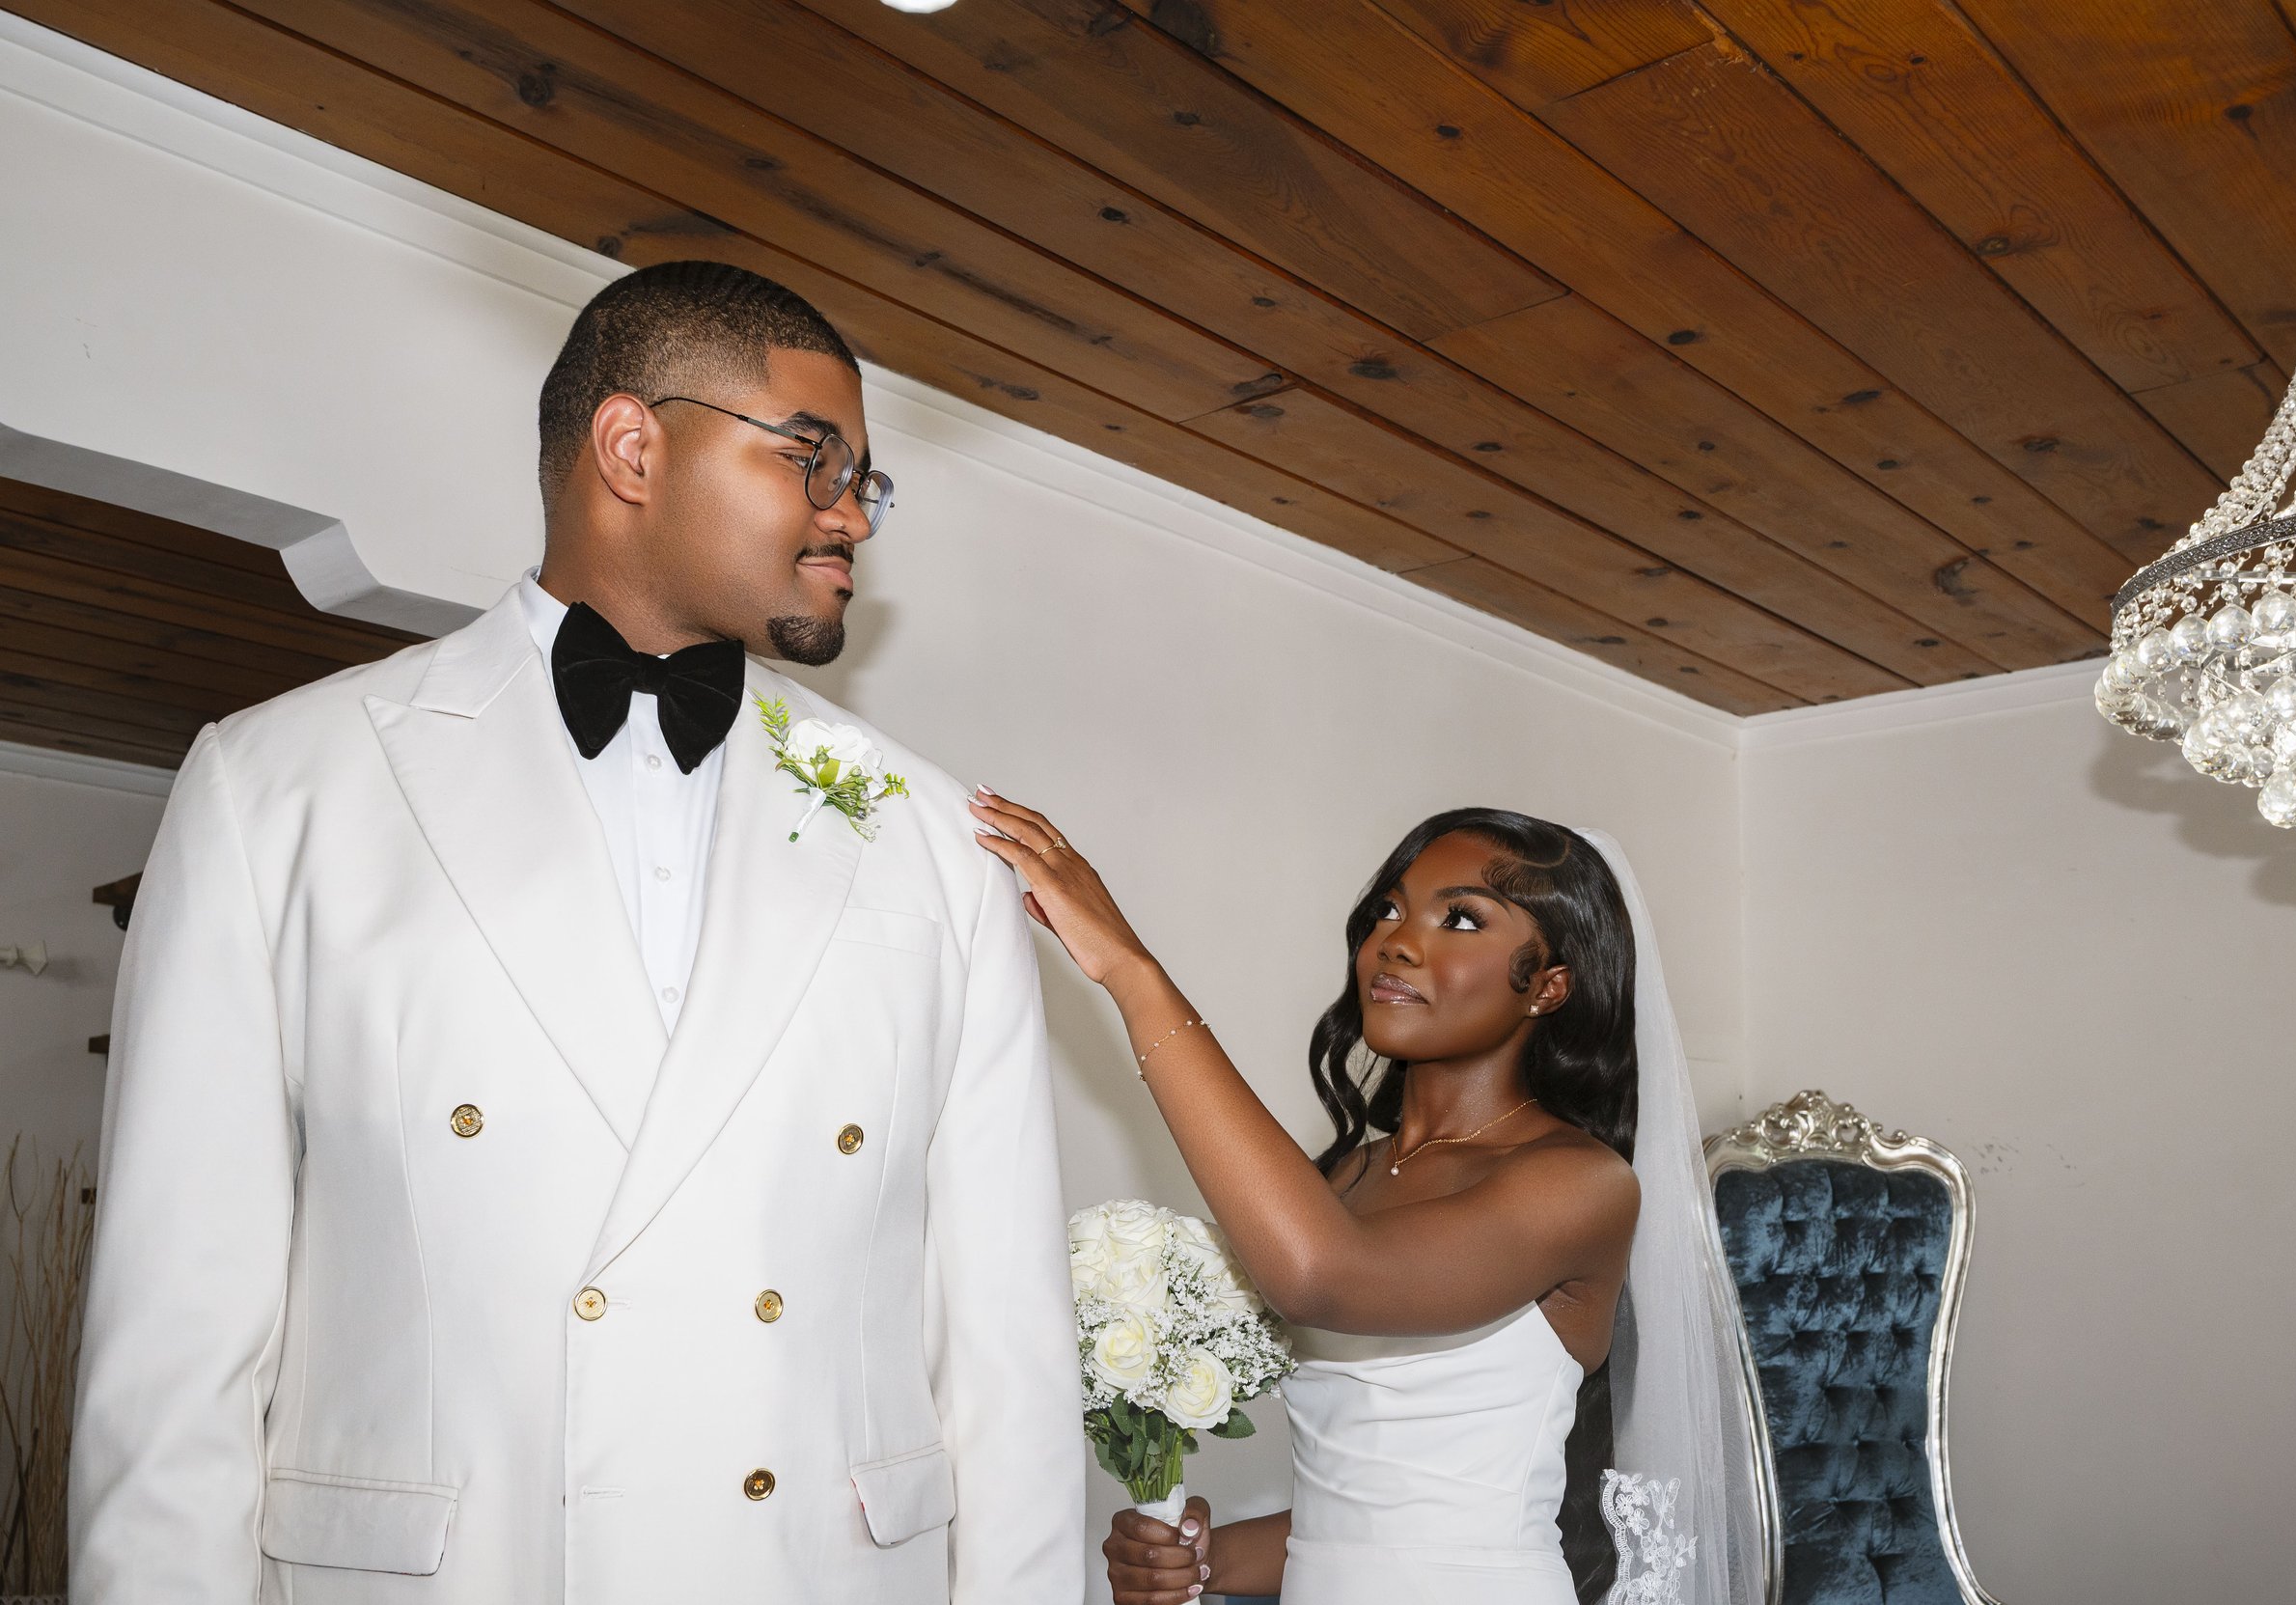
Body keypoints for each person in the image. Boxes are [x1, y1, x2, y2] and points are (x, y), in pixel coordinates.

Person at [69, 261, 1083, 1602]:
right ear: (631, 447)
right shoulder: (276, 788)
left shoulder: (932, 835)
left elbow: (1008, 1359)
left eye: (865, 480)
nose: (854, 513)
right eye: (813, 458)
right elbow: (176, 1342)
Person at [968, 797, 1763, 1605]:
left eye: (1460, 920)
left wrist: (1134, 974)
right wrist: (1197, 1559)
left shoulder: (1579, 1182)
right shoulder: (1343, 1178)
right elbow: (1362, 1517)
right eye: (1390, 908)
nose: (1400, 940)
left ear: (1549, 985)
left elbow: (1317, 1274)